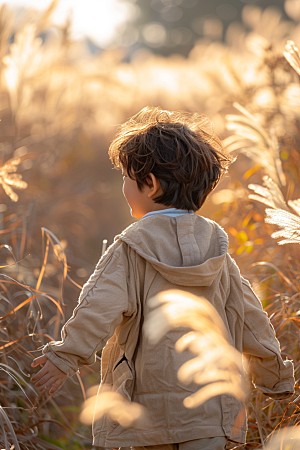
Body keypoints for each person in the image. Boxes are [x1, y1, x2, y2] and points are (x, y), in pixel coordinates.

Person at [31, 107, 295, 450]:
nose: (123, 186)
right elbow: (253, 321)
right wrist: (275, 377)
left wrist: (65, 356)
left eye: (126, 178)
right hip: (211, 416)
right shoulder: (220, 254)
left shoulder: (129, 249)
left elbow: (98, 307)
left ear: (150, 184)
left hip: (145, 416)